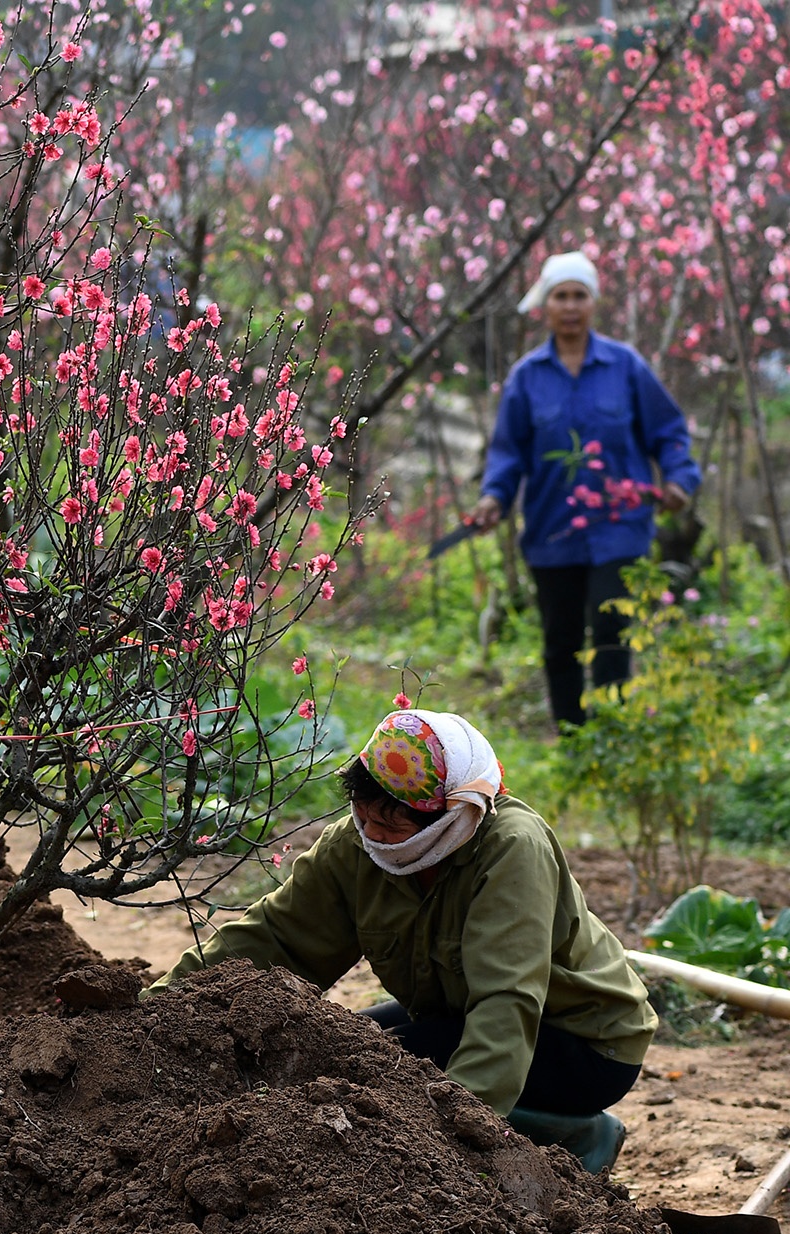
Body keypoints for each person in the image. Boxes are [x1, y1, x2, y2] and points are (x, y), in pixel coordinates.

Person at [150, 709, 655, 1174]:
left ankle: (569, 1137)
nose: (373, 835)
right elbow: (274, 936)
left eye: (391, 826)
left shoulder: (511, 848)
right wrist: (157, 1011)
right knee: (335, 1052)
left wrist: (448, 1141)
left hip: (584, 1042)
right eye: (364, 816)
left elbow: (508, 1000)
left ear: (449, 814)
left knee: (379, 1080)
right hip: (459, 1019)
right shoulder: (355, 846)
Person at [469, 250, 699, 727]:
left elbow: (669, 430)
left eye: (579, 296)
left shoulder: (625, 367)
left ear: (592, 303)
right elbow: (508, 451)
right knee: (562, 639)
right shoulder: (527, 378)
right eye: (561, 296)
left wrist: (678, 479)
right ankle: (573, 738)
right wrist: (495, 497)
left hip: (621, 527)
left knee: (613, 629)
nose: (570, 306)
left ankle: (612, 737)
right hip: (553, 531)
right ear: (546, 305)